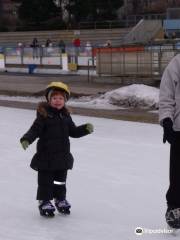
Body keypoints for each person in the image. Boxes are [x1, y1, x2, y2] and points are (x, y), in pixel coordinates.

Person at [20, 82, 94, 217]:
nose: (57, 101)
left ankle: (60, 199)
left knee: (60, 181)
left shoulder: (65, 116)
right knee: (45, 182)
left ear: (65, 100)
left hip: (62, 156)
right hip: (46, 156)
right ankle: (45, 201)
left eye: (61, 98)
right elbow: (34, 130)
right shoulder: (43, 115)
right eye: (54, 98)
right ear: (49, 100)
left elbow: (73, 131)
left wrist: (84, 129)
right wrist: (26, 139)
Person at [159, 54, 180, 229]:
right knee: (178, 173)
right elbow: (166, 95)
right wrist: (167, 121)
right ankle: (174, 207)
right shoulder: (177, 63)